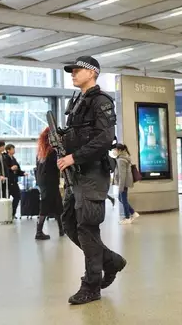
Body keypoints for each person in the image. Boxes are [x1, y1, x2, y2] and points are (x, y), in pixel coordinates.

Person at [58, 56, 126, 305]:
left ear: (93, 72)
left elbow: (105, 138)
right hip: (75, 174)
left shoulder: (101, 101)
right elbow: (76, 134)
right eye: (72, 70)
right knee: (69, 223)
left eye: (78, 70)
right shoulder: (76, 101)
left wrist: (74, 157)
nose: (73, 73)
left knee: (87, 227)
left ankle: (92, 285)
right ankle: (111, 261)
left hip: (92, 172)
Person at [35, 127, 64, 240]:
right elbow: (57, 165)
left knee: (57, 204)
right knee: (47, 205)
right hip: (50, 181)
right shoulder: (52, 151)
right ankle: (38, 232)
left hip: (44, 181)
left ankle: (61, 229)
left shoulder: (41, 152)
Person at [112, 143, 139, 225]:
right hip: (125, 182)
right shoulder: (123, 158)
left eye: (115, 150)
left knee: (123, 199)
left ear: (119, 150)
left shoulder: (121, 160)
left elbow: (122, 175)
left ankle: (128, 218)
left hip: (123, 183)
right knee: (121, 199)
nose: (114, 151)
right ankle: (133, 213)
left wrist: (121, 187)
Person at [4, 144, 26, 219]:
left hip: (14, 181)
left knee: (17, 197)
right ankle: (6, 214)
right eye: (13, 149)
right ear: (8, 150)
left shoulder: (13, 158)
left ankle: (13, 213)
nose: (14, 150)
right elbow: (4, 169)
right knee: (6, 198)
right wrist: (11, 168)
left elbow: (17, 169)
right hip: (7, 182)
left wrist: (23, 173)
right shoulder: (5, 158)